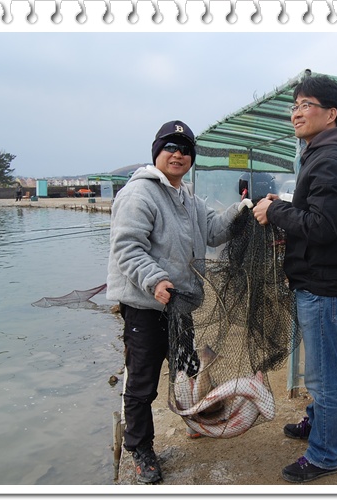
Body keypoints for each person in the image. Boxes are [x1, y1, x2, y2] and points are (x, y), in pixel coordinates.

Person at [106, 120, 252, 484]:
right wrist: (155, 280)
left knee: (186, 369)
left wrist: (243, 209)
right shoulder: (139, 194)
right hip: (145, 305)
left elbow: (215, 231)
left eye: (186, 150)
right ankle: (141, 449)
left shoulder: (188, 198)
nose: (178, 154)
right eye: (171, 147)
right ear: (157, 152)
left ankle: (193, 419)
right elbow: (127, 248)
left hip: (180, 304)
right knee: (142, 384)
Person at [252, 75, 337, 483]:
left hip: (325, 287)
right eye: (294, 106)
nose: (296, 113)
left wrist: (274, 211)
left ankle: (325, 454)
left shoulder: (330, 158)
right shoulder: (321, 153)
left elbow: (322, 227)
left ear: (331, 114)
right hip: (320, 282)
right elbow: (318, 211)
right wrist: (284, 203)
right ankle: (318, 423)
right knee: (322, 368)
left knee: (323, 376)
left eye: (306, 105)